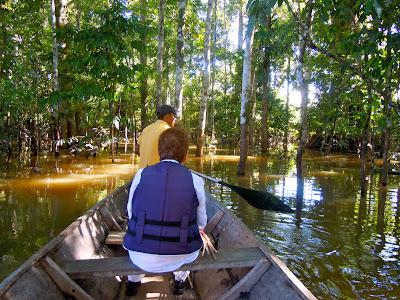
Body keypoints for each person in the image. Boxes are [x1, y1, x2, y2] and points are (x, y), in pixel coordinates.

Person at [124, 127, 207, 296]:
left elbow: (131, 213)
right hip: (183, 255)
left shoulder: (141, 175)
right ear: (185, 156)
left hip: (139, 255)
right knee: (188, 242)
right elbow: (201, 222)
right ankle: (179, 282)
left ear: (159, 152)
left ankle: (133, 283)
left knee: (135, 238)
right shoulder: (195, 180)